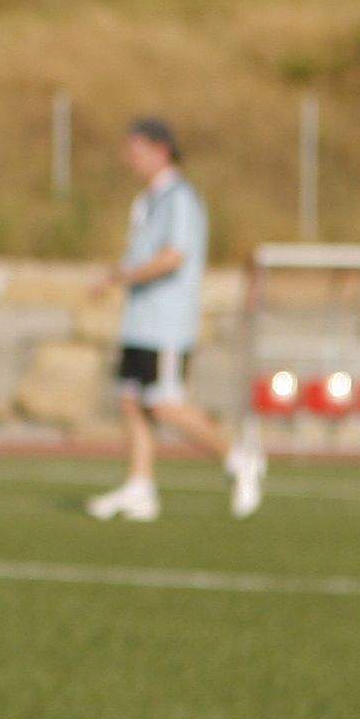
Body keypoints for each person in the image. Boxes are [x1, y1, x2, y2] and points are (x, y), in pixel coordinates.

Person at [84, 117, 262, 522]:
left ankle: (238, 457)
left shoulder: (179, 198)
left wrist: (121, 276)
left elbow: (173, 256)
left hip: (166, 323)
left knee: (164, 405)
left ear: (161, 151)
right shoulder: (148, 200)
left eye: (136, 151)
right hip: (140, 320)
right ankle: (140, 487)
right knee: (132, 401)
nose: (130, 160)